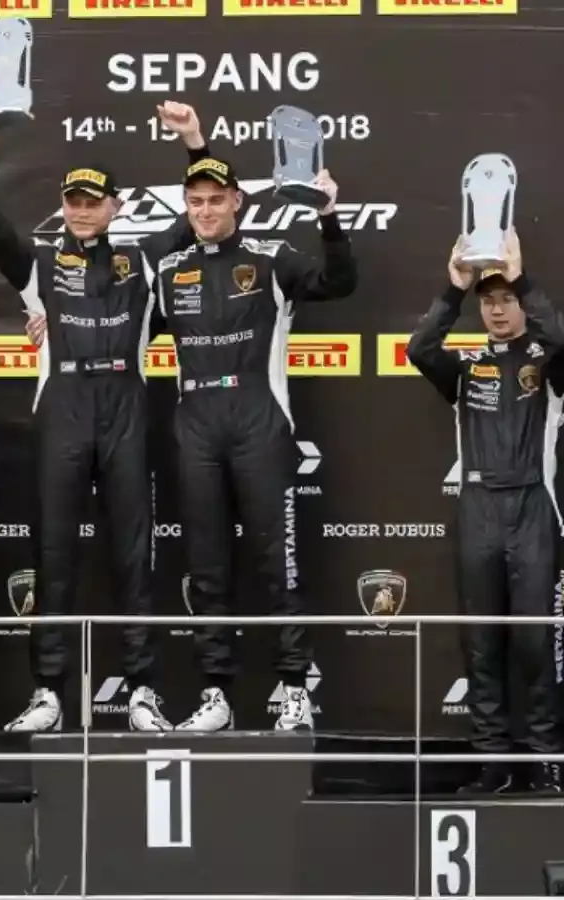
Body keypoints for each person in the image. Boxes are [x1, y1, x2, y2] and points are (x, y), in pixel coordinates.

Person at [0, 90, 211, 733]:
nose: (80, 209)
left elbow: (197, 216)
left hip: (126, 402)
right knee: (54, 554)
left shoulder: (143, 261)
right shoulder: (39, 263)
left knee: (134, 554)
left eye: (92, 200)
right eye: (72, 200)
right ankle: (47, 693)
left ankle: (143, 692)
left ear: (115, 206)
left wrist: (194, 143)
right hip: (64, 406)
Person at [155, 155, 357, 731]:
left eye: (216, 200)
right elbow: (111, 322)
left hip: (259, 419)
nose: (205, 211)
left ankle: (294, 690)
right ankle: (216, 695)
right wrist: (44, 323)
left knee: (278, 561)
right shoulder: (167, 271)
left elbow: (339, 282)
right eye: (195, 201)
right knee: (206, 566)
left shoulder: (271, 258)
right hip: (196, 423)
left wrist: (329, 217)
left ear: (237, 202)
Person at [406, 230, 564, 793]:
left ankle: (548, 764)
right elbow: (419, 349)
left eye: (507, 299)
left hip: (532, 506)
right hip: (477, 508)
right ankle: (493, 765)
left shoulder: (549, 365)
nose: (498, 310)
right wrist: (453, 289)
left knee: (535, 642)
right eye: (489, 301)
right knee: (481, 644)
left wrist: (523, 278)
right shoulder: (466, 366)